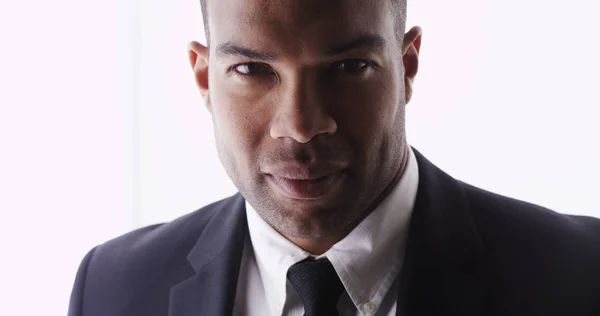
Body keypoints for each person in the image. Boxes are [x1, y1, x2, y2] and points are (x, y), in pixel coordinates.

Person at [68, 0, 600, 315]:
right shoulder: (113, 289)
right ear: (204, 78)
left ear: (408, 66)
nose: (299, 125)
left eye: (348, 67)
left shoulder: (580, 276)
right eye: (252, 70)